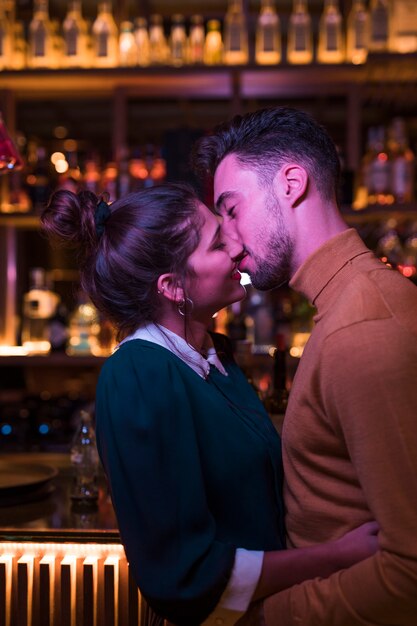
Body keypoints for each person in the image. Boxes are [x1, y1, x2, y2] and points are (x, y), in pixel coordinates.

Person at [41, 183, 378, 626]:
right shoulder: (139, 374)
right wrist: (333, 556)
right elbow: (184, 573)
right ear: (174, 287)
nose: (239, 245)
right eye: (219, 242)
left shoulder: (214, 358)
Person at [192, 106, 417, 626]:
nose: (227, 237)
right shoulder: (345, 308)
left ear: (291, 183)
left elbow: (409, 572)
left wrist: (266, 618)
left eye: (231, 209)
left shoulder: (363, 331)